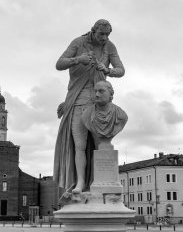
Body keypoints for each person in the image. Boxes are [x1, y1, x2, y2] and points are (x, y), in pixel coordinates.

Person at [53, 19, 125, 193]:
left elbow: (121, 70)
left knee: (102, 143)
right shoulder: (78, 42)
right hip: (77, 100)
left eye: (108, 34)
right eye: (101, 34)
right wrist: (78, 59)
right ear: (93, 31)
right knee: (80, 145)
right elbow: (59, 64)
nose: (105, 38)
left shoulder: (110, 46)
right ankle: (80, 183)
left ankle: (101, 183)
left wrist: (107, 70)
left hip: (99, 101)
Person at [81, 80, 127, 150]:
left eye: (101, 91)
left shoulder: (121, 116)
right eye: (95, 91)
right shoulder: (86, 115)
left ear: (110, 94)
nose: (97, 94)